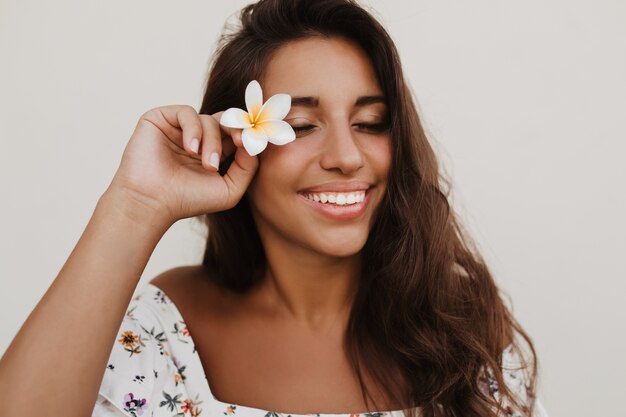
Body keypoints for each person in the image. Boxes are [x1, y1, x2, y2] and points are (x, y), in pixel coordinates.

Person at [0, 0, 549, 416]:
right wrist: (134, 205)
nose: (346, 156)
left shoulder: (461, 329)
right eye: (303, 126)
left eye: (371, 122)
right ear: (235, 139)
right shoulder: (165, 331)